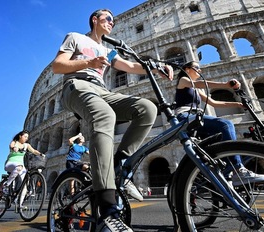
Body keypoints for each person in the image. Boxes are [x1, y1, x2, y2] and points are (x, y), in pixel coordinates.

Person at [51, 9, 173, 232]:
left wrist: (156, 66)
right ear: (95, 20)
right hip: (76, 86)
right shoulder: (75, 37)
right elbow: (58, 66)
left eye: (114, 20)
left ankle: (119, 166)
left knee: (146, 108)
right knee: (104, 115)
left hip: (102, 90)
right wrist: (88, 63)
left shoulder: (108, 51)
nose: (112, 23)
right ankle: (107, 210)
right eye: (108, 19)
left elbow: (131, 67)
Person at [174, 61, 264, 186]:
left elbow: (214, 103)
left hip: (196, 117)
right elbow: (200, 83)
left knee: (219, 142)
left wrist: (238, 105)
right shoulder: (183, 80)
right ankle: (238, 169)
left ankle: (226, 176)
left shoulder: (197, 90)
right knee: (226, 124)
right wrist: (226, 85)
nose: (200, 70)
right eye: (197, 67)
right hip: (186, 117)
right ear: (187, 69)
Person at [4, 130, 44, 206]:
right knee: (19, 167)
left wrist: (41, 154)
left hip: (21, 166)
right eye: (25, 136)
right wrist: (14, 148)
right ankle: (6, 185)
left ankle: (20, 204)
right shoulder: (14, 142)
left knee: (24, 186)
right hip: (11, 163)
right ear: (20, 136)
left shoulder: (26, 145)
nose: (26, 138)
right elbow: (11, 146)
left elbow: (33, 151)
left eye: (27, 137)